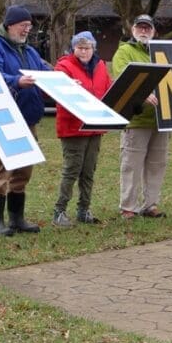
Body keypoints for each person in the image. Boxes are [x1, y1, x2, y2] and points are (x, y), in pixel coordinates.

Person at [0, 5, 49, 236]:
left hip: (28, 117)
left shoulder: (29, 51)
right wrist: (16, 81)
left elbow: (44, 71)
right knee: (3, 168)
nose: (27, 30)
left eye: (29, 26)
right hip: (5, 117)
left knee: (24, 170)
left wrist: (65, 81)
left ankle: (17, 218)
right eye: (23, 26)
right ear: (10, 25)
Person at [51, 31, 111, 227]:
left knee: (89, 171)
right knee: (72, 170)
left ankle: (84, 209)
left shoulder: (101, 66)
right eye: (80, 48)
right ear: (73, 48)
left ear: (94, 49)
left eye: (87, 48)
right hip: (73, 127)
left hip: (95, 126)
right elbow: (56, 91)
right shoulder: (63, 66)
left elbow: (108, 88)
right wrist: (68, 87)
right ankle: (59, 211)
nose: (84, 51)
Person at [110, 14, 167, 220]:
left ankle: (150, 204)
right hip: (136, 120)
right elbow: (121, 79)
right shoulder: (124, 51)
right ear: (133, 30)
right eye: (140, 27)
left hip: (161, 120)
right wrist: (142, 94)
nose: (144, 31)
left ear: (154, 32)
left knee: (157, 164)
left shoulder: (162, 53)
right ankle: (128, 207)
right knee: (131, 166)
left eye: (148, 28)